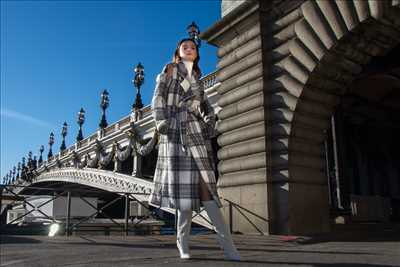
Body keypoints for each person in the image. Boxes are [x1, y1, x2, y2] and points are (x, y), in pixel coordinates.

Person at [149, 38, 240, 261]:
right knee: (184, 196)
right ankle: (182, 241)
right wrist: (161, 121)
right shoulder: (169, 70)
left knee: (206, 190)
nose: (190, 48)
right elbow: (157, 97)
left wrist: (210, 123)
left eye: (193, 47)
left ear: (197, 54)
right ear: (178, 53)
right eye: (185, 47)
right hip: (174, 133)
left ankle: (229, 247)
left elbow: (206, 107)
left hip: (196, 134)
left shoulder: (197, 79)